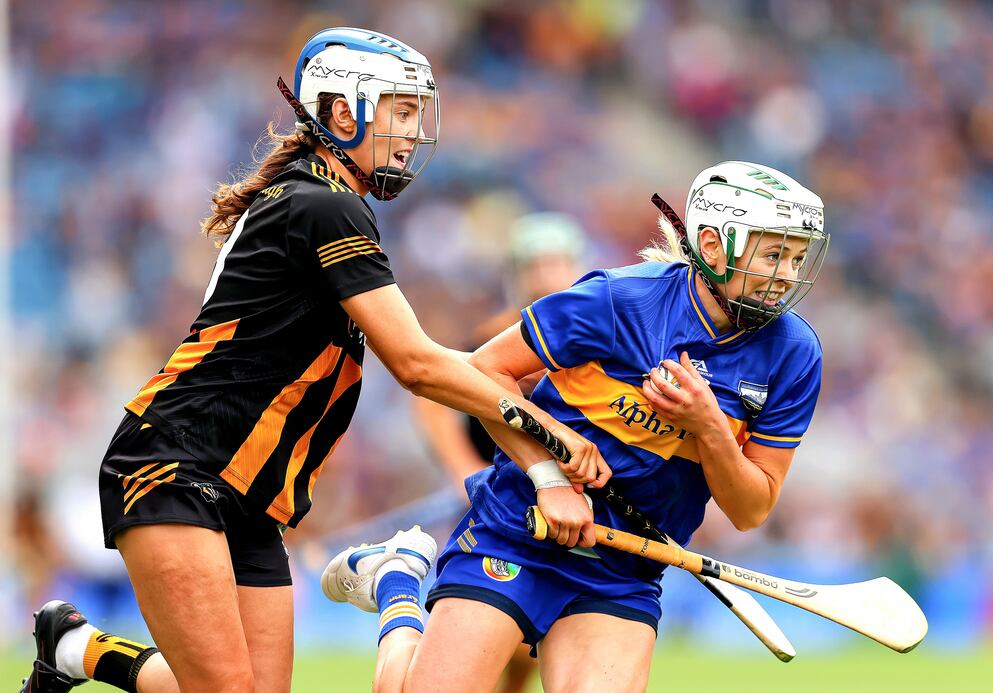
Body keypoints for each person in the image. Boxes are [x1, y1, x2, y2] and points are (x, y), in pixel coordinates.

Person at [21, 27, 608, 693]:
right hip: (176, 464)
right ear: (340, 111)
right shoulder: (322, 205)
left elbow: (435, 361)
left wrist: (534, 458)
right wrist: (547, 433)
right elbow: (416, 364)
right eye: (401, 111)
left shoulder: (332, 202)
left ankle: (76, 648)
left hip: (254, 493)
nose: (414, 133)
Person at [321, 161, 830, 692]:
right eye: (774, 255)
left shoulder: (794, 354)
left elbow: (751, 509)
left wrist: (709, 427)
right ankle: (396, 583)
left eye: (796, 257)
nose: (789, 276)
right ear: (712, 243)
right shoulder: (616, 301)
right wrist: (549, 477)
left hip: (623, 569)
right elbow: (482, 373)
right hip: (518, 531)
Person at [410, 212, 587, 693]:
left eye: (559, 262)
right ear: (518, 272)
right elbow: (433, 396)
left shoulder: (590, 337)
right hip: (493, 499)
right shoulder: (497, 334)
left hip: (557, 503)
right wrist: (461, 468)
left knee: (528, 650)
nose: (549, 275)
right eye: (538, 264)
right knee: (491, 629)